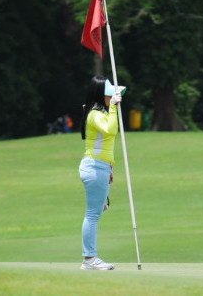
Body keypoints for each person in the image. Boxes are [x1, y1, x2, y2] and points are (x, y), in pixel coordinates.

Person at [78, 75, 126, 270]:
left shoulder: (99, 112)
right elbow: (111, 130)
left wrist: (110, 168)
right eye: (109, 95)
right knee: (92, 214)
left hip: (101, 168)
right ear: (102, 96)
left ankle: (90, 258)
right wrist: (114, 107)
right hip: (95, 167)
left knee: (96, 211)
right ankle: (89, 259)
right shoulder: (95, 114)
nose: (112, 97)